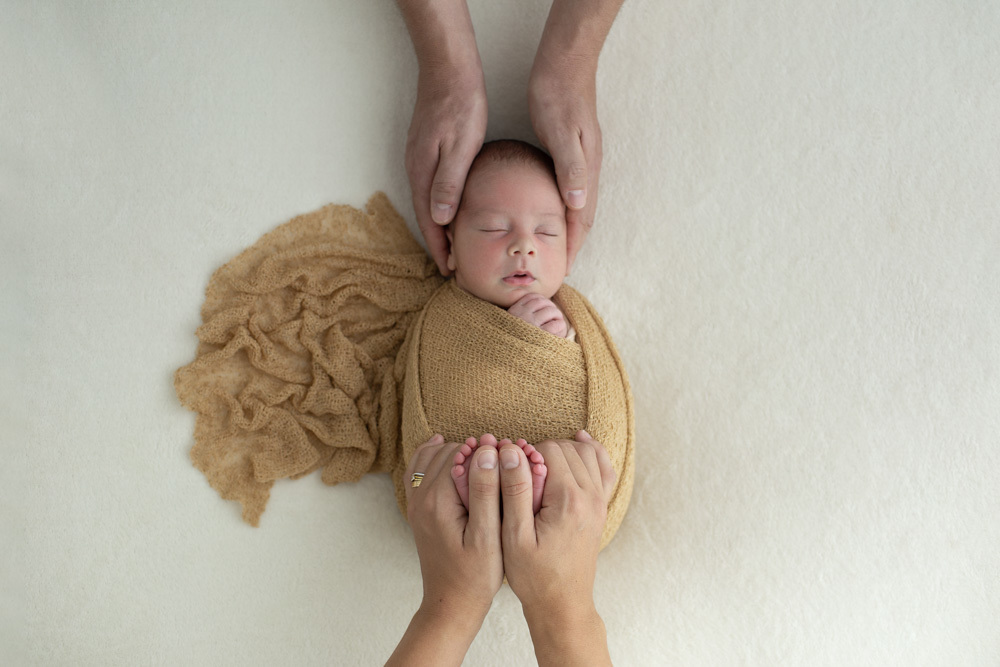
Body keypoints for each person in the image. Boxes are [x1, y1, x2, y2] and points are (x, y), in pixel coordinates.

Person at [395, 0, 626, 277]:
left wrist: (572, 64)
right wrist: (444, 67)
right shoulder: (443, 311)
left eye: (547, 232)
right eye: (494, 228)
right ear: (451, 247)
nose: (525, 245)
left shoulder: (571, 310)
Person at [386, 431, 616, 666]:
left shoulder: (423, 490)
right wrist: (565, 609)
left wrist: (450, 605)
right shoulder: (584, 506)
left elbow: (417, 476)